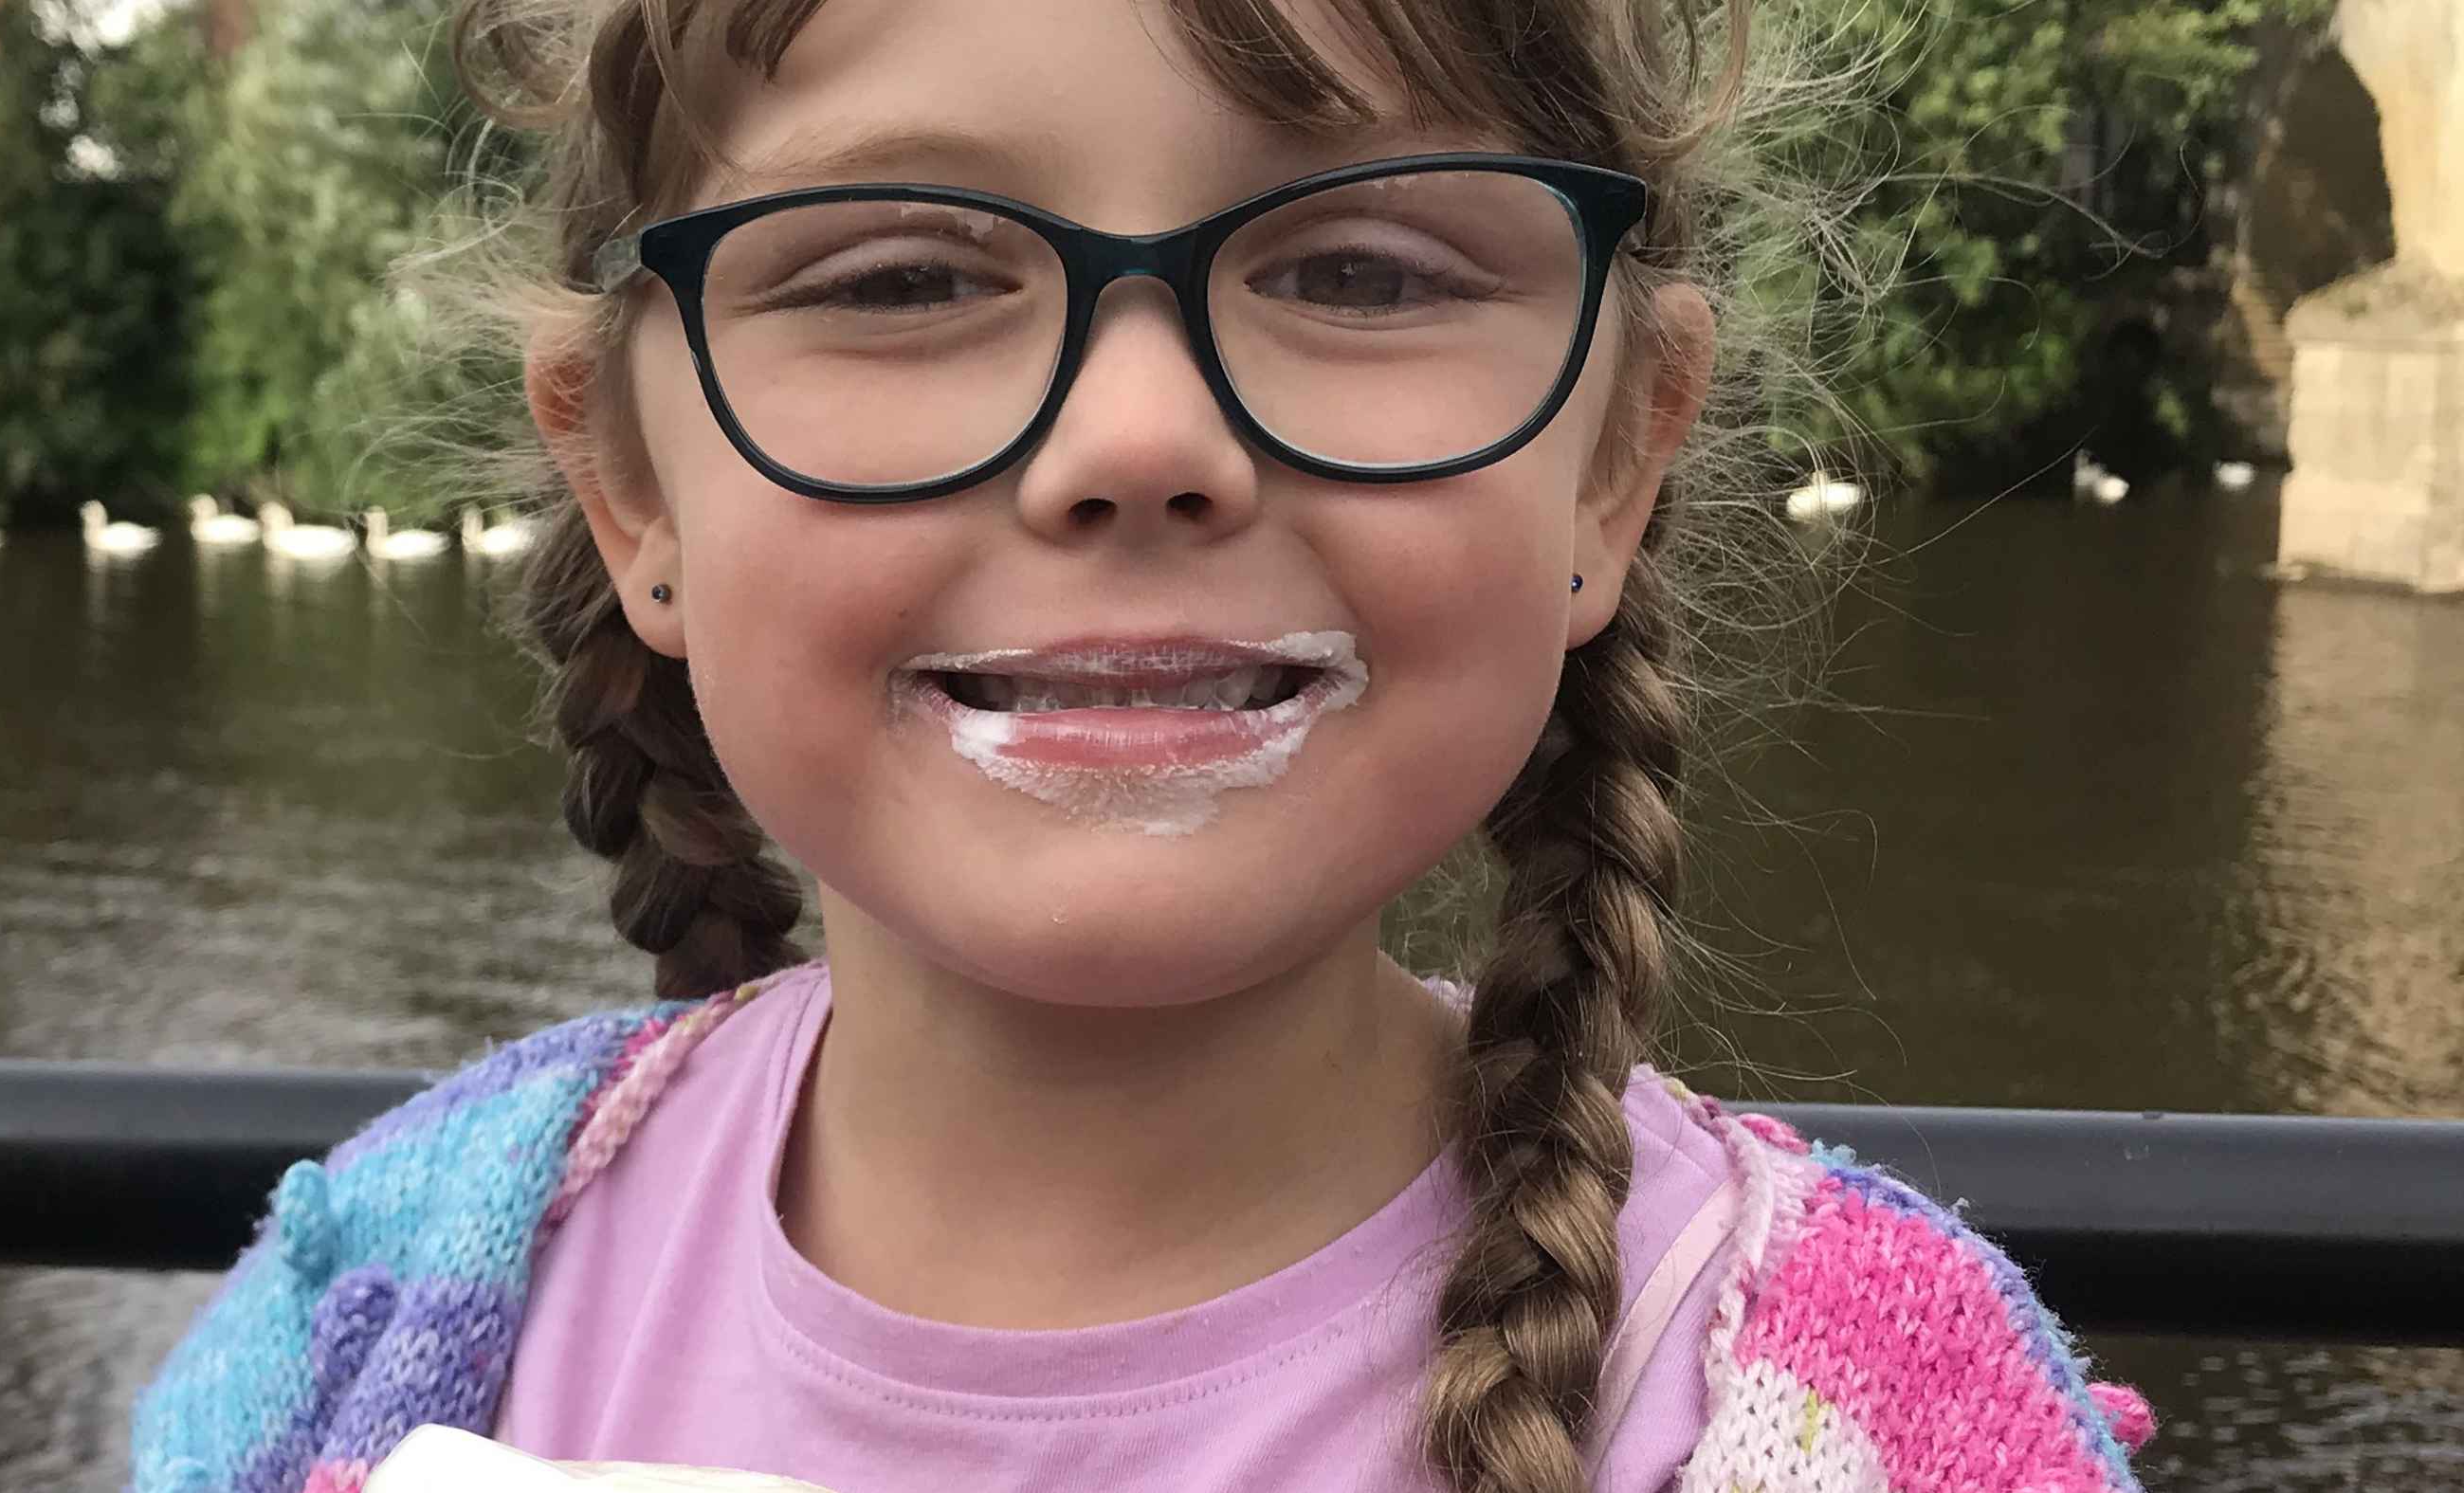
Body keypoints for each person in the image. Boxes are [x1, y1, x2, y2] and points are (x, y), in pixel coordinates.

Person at [129, 0, 2158, 1489]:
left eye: (1358, 269)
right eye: (904, 276)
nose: (1135, 443)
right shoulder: (372, 1306)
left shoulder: (1850, 1416)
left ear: (1614, 461)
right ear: (632, 488)